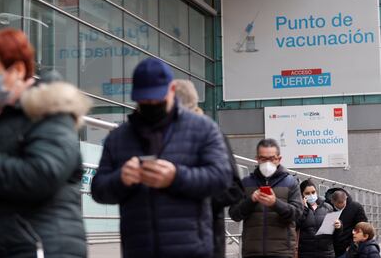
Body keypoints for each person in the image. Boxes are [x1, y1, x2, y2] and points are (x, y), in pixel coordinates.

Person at [91, 58, 232, 258]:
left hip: (191, 250)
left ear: (172, 89)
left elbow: (223, 178)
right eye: (144, 100)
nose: (151, 104)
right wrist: (121, 178)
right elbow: (98, 189)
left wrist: (176, 176)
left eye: (157, 99)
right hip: (139, 249)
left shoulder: (202, 128)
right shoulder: (118, 137)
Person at [0, 28, 89, 257]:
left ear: (18, 70)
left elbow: (41, 175)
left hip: (40, 247)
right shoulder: (0, 119)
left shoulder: (50, 112)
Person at [174, 79, 244, 258]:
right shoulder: (162, 138)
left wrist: (192, 194)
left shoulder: (212, 135)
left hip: (206, 237)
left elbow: (234, 190)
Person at [229, 138, 303, 258]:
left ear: (279, 159)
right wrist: (251, 200)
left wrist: (275, 203)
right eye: (263, 159)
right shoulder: (246, 183)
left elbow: (298, 214)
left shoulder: (291, 183)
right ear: (257, 159)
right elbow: (234, 214)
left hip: (282, 252)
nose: (267, 163)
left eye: (272, 158)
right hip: (252, 252)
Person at [297, 179, 339, 258]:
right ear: (302, 194)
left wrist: (338, 226)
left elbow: (335, 233)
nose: (311, 195)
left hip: (326, 253)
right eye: (307, 193)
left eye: (313, 192)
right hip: (306, 253)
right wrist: (304, 209)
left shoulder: (327, 207)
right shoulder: (298, 208)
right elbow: (296, 225)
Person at [326, 189, 368, 257]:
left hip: (348, 250)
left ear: (346, 198)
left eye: (343, 202)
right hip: (329, 250)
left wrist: (353, 246)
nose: (341, 205)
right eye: (338, 203)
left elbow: (363, 227)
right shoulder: (326, 208)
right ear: (332, 201)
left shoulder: (356, 207)